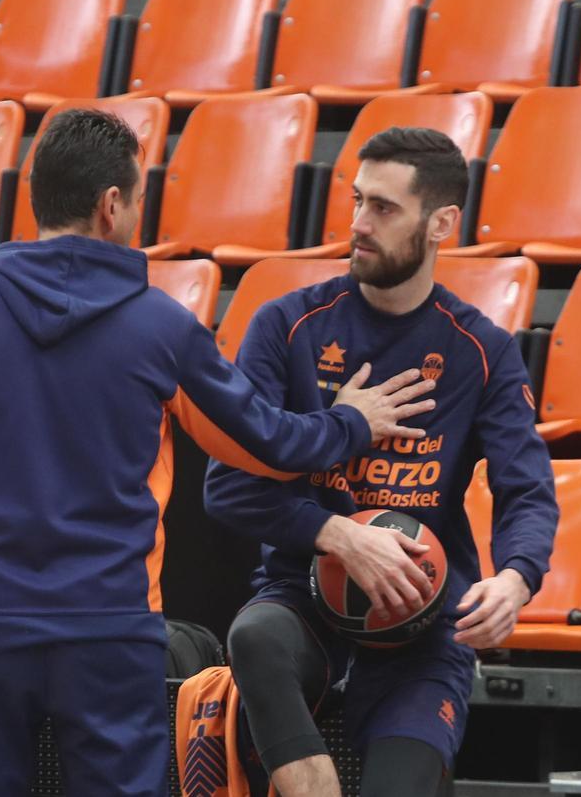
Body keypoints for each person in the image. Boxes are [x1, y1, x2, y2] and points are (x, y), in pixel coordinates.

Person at [0, 110, 439, 797]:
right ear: (112, 206)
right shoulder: (161, 327)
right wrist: (349, 420)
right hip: (109, 634)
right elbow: (267, 444)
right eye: (137, 198)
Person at [204, 126, 560, 797]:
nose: (360, 225)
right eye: (358, 201)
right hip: (302, 596)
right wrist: (339, 534)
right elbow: (226, 487)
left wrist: (517, 577)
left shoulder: (480, 350)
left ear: (441, 224)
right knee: (254, 634)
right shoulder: (287, 326)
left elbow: (528, 491)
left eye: (385, 208)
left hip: (425, 621)